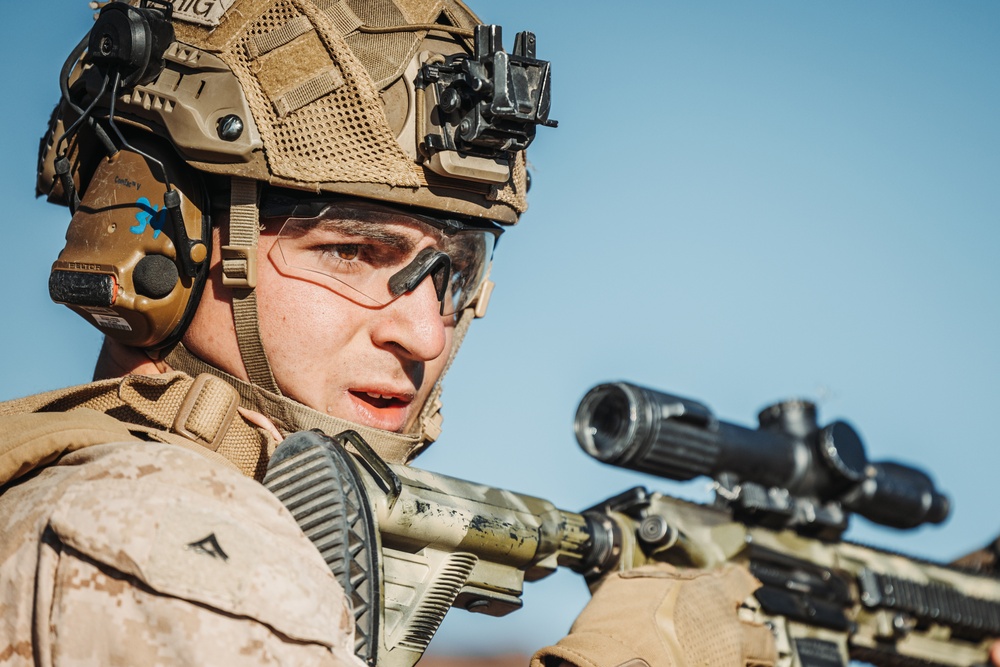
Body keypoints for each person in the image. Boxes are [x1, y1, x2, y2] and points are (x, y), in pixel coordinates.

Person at [0, 2, 995, 666]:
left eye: (455, 272)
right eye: (353, 251)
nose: (423, 331)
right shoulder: (157, 527)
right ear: (155, 232)